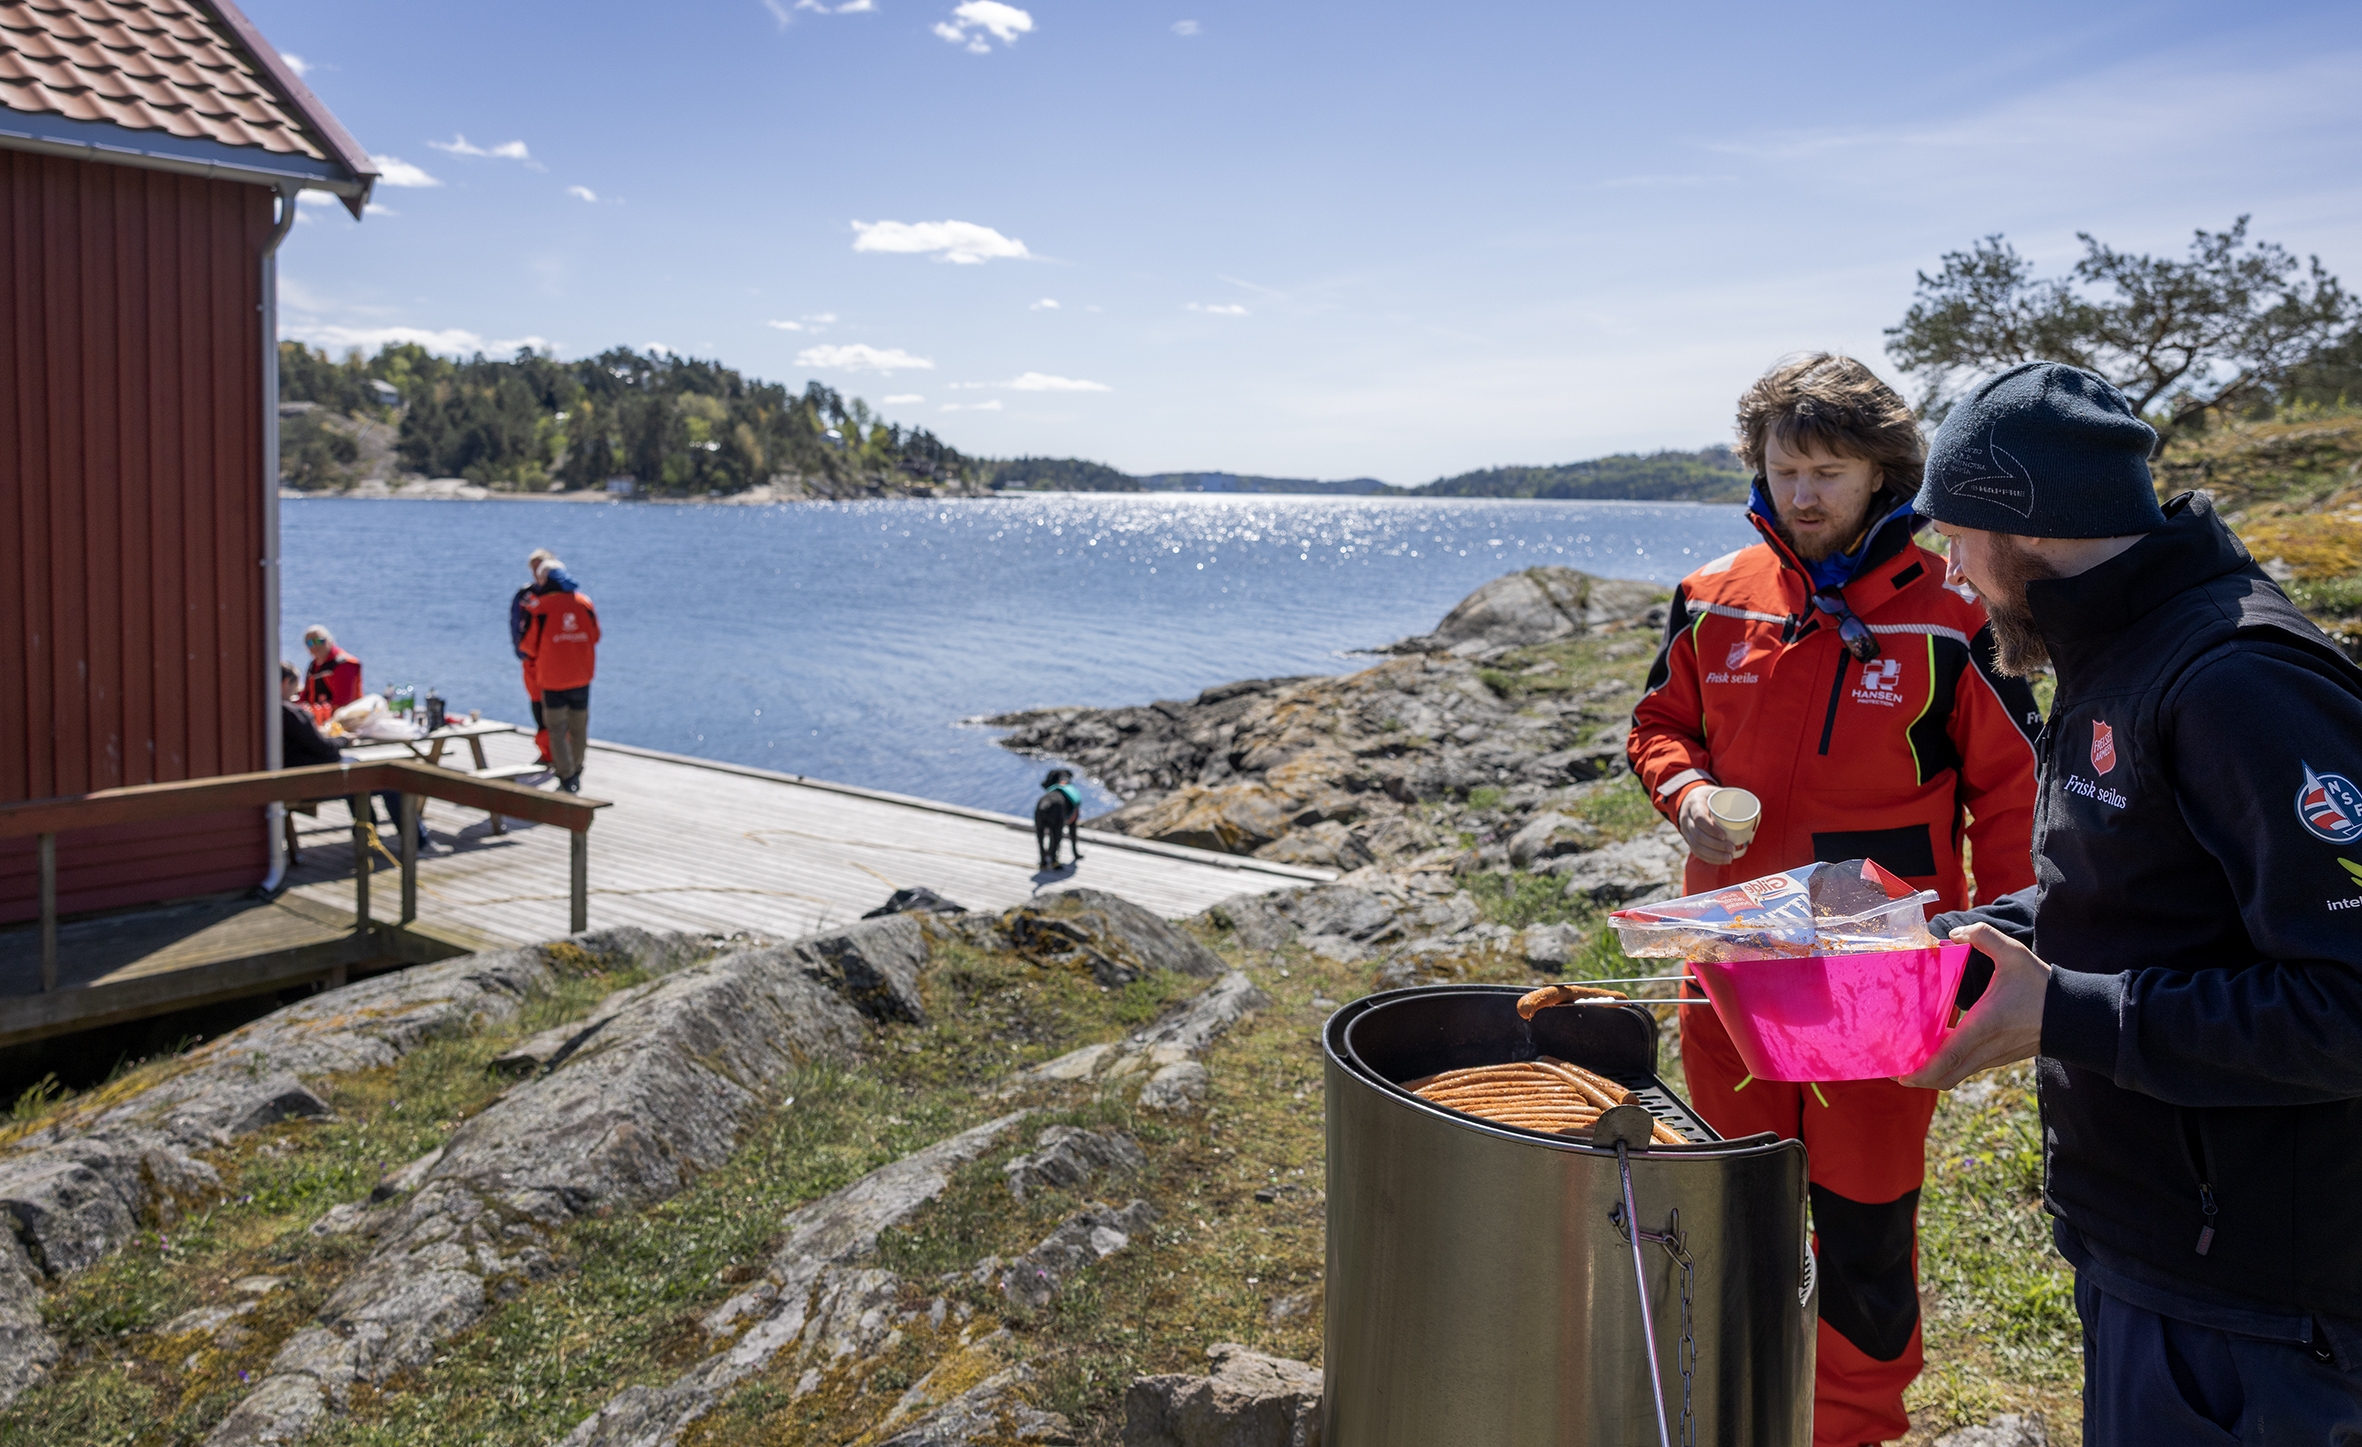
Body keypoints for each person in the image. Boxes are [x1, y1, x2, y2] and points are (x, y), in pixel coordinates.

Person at [1899, 362, 2362, 1442]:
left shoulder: (2240, 681)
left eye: (1955, 534)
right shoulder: (2112, 646)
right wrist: (1949, 942)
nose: (1951, 572)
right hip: (2149, 1243)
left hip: (2262, 1301)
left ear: (2027, 520)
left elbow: (2348, 1003)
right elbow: (2130, 894)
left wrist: (2061, 1012)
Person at [1626, 353, 2043, 1446]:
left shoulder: (1957, 610)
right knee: (1729, 1199)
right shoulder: (1712, 596)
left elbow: (2012, 794)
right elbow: (1659, 724)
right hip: (1730, 959)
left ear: (1881, 473)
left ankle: (1851, 1425)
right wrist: (1686, 793)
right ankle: (1726, 1405)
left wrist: (2005, 949)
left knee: (1864, 1214)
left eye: (1829, 471)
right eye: (1786, 469)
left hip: (1880, 975)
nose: (1804, 494)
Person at [280, 662, 424, 848]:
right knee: (391, 782)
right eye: (294, 686)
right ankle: (418, 843)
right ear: (285, 682)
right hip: (309, 782)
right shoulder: (292, 714)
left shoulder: (268, 710)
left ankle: (366, 834)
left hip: (293, 778)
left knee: (357, 770)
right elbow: (324, 747)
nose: (296, 692)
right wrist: (344, 740)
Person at [520, 557, 599, 793]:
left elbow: (528, 646)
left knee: (556, 729)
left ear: (544, 580)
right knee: (579, 727)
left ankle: (566, 776)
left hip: (552, 679)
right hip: (581, 676)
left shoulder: (539, 607)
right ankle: (576, 769)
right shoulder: (585, 603)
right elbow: (595, 636)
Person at [511, 548, 556, 766]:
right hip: (531, 662)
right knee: (538, 707)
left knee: (556, 709)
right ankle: (546, 751)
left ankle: (560, 752)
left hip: (553, 663)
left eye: (541, 567)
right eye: (534, 568)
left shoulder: (559, 594)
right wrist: (521, 652)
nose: (537, 572)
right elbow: (515, 623)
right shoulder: (525, 594)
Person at [301, 625, 363, 710]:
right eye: (310, 643)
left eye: (319, 641)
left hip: (344, 715)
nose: (315, 646)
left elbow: (343, 702)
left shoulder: (344, 664)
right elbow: (306, 695)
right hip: (317, 713)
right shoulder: (314, 665)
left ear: (330, 641)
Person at [1034, 768, 1085, 870]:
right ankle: (1054, 861)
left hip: (1041, 805)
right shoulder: (1070, 792)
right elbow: (1072, 826)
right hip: (1057, 807)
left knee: (1040, 833)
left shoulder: (1047, 795)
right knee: (1056, 833)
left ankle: (1043, 861)